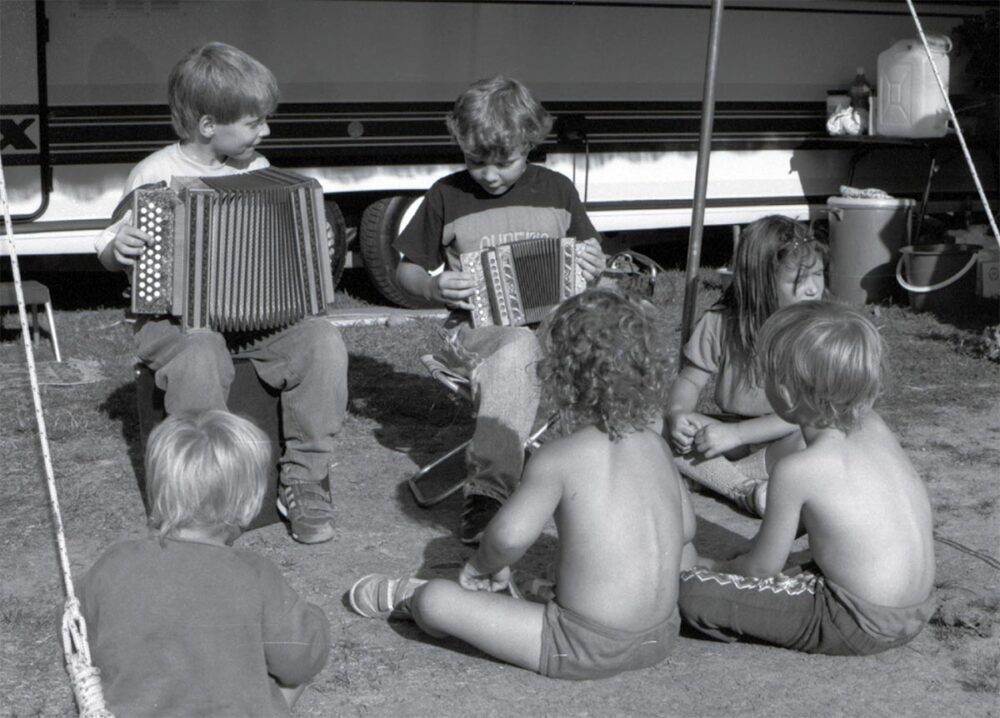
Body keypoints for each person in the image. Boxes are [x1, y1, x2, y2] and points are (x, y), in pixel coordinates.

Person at [348, 289, 696, 680]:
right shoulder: (657, 446)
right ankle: (554, 595)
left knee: (437, 600)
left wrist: (482, 567)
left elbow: (507, 538)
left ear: (558, 375)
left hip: (582, 645)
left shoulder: (559, 457)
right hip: (662, 635)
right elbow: (685, 530)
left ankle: (410, 599)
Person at [94, 42, 347, 544]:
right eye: (254, 123)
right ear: (210, 125)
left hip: (260, 323)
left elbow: (285, 248)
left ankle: (304, 480)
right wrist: (117, 247)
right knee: (201, 352)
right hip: (174, 325)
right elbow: (109, 245)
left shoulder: (258, 170)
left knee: (322, 341)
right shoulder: (155, 174)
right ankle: (204, 504)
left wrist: (317, 243)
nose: (265, 132)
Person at [393, 75, 606, 543]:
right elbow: (404, 272)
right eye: (475, 160)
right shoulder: (447, 195)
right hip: (475, 335)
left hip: (551, 329)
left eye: (503, 162)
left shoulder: (557, 190)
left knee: (604, 329)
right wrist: (433, 287)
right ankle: (489, 492)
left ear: (530, 143)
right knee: (516, 343)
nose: (488, 174)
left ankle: (614, 469)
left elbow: (592, 256)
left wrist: (594, 262)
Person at [678, 301, 936, 655]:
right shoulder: (875, 426)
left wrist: (714, 566)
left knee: (692, 591)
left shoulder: (799, 469)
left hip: (855, 620)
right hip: (916, 607)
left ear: (783, 394)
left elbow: (759, 569)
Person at [77, 410, 331, 715]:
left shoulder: (113, 564)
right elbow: (301, 659)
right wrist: (315, 621)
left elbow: (73, 633)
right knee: (290, 669)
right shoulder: (254, 573)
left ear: (156, 488)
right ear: (249, 502)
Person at [664, 215, 826, 516]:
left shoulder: (819, 330)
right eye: (798, 280)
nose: (813, 288)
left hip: (784, 437)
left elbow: (811, 413)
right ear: (761, 282)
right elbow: (689, 382)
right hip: (727, 430)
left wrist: (738, 434)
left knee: (817, 436)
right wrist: (677, 415)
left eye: (818, 274)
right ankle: (744, 486)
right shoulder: (720, 322)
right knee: (652, 422)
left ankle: (724, 481)